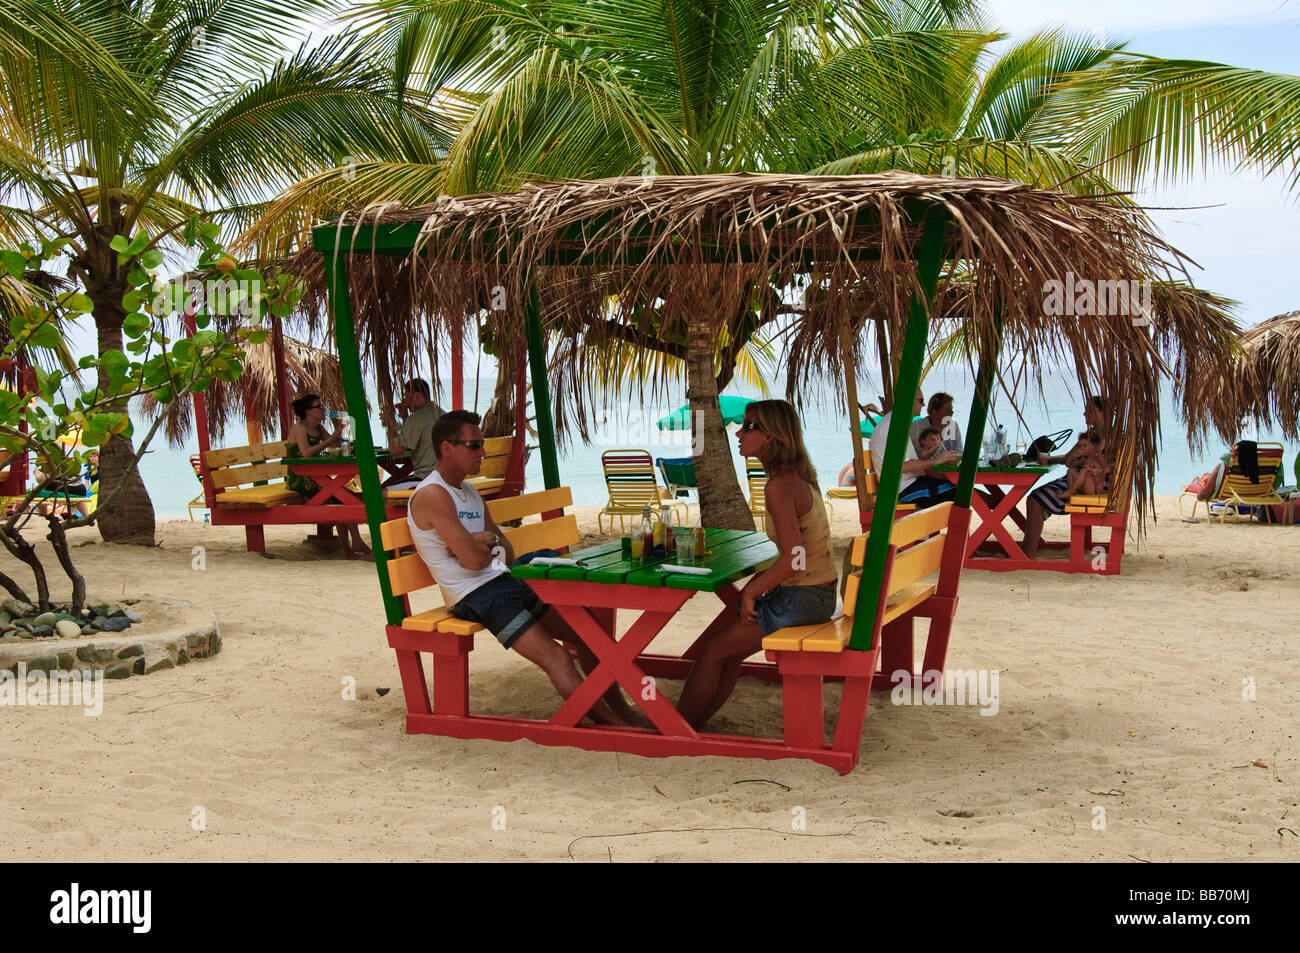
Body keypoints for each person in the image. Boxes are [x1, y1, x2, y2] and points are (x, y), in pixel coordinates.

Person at [407, 410, 633, 726]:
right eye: (474, 445)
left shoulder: (469, 492)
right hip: (475, 595)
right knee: (555, 656)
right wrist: (481, 543)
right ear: (447, 448)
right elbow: (474, 563)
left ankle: (622, 711)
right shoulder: (433, 495)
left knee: (588, 634)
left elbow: (507, 553)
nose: (483, 452)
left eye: (481, 444)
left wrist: (476, 540)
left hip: (503, 579)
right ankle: (612, 726)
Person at [676, 400, 839, 729]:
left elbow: (794, 558)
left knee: (710, 650)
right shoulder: (797, 477)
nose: (739, 432)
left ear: (771, 438)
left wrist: (751, 592)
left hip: (804, 597)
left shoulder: (780, 485)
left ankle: (676, 728)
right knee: (726, 650)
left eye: (750, 426)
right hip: (818, 594)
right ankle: (694, 725)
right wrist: (756, 588)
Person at [1022, 397, 1109, 558]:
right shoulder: (1096, 435)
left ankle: (1027, 554)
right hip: (1082, 480)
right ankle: (1027, 549)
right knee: (1036, 497)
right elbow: (1069, 458)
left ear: (1103, 412)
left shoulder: (1104, 439)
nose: (1084, 414)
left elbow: (1076, 461)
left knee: (1035, 500)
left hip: (1088, 484)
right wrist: (1047, 458)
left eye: (1089, 410)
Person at [286, 393, 370, 558]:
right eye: (319, 406)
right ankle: (352, 546)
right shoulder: (300, 428)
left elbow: (336, 444)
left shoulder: (318, 428)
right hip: (301, 480)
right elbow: (306, 453)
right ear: (308, 411)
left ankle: (352, 546)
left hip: (317, 478)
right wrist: (330, 439)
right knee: (342, 499)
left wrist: (343, 434)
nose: (323, 409)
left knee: (345, 497)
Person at [869, 391, 960, 508]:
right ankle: (990, 514)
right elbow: (904, 466)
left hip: (907, 484)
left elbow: (900, 462)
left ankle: (990, 513)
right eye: (920, 401)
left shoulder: (895, 421)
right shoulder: (894, 425)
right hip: (903, 490)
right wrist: (936, 460)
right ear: (908, 400)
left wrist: (926, 455)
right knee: (962, 491)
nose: (923, 405)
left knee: (959, 488)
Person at [386, 379, 445, 491]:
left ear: (417, 396)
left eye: (406, 395)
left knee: (382, 494)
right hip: (444, 477)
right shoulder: (440, 413)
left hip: (426, 478)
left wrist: (389, 424)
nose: (404, 400)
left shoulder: (416, 418)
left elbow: (395, 450)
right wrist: (404, 418)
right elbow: (413, 439)